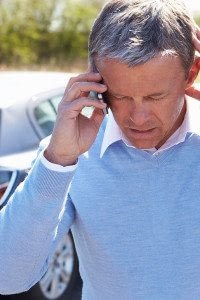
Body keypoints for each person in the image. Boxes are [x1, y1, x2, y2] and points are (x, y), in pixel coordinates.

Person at [1, 0, 200, 298]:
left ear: (191, 73)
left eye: (156, 97)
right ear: (95, 78)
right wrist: (57, 161)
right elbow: (7, 277)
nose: (138, 118)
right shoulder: (69, 155)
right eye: (120, 96)